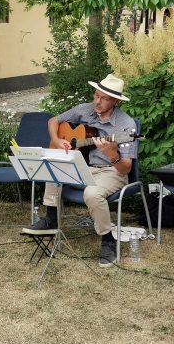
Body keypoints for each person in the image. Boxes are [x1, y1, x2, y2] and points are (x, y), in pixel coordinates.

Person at [22, 74, 137, 268]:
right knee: (53, 168)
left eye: (104, 98)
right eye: (96, 95)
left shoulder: (126, 126)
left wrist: (112, 155)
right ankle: (51, 220)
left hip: (112, 172)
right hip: (84, 167)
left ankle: (108, 240)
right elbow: (53, 121)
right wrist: (58, 141)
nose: (97, 101)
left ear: (116, 101)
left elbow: (125, 167)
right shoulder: (84, 110)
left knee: (92, 193)